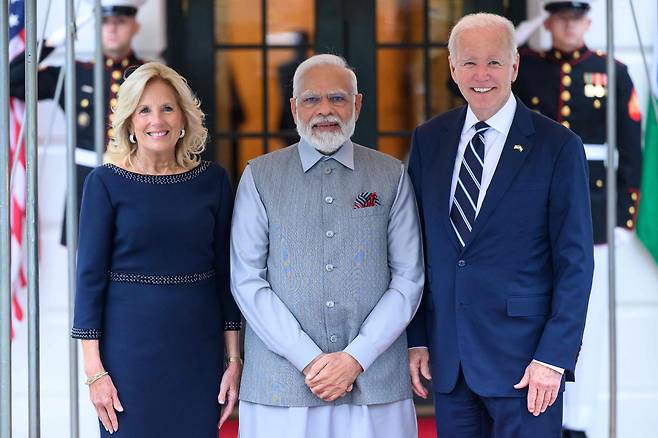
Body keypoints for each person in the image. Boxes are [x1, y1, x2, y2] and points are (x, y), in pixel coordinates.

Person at [406, 13, 594, 437]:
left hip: (528, 368)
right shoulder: (429, 139)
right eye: (469, 62)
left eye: (494, 62)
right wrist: (417, 339)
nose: (481, 75)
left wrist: (553, 358)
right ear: (453, 69)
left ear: (514, 66)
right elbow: (416, 251)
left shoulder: (558, 146)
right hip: (450, 364)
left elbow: (575, 263)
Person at [230, 54, 424, 438]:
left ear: (357, 104)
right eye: (311, 99)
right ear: (293, 108)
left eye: (337, 98)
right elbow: (247, 280)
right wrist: (309, 360)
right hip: (281, 385)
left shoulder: (391, 175)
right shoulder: (259, 175)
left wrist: (355, 358)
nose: (324, 111)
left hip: (374, 381)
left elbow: (408, 278)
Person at [71, 62, 242, 437]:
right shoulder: (104, 183)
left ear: (183, 117)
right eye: (144, 110)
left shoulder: (213, 181)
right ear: (130, 122)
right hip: (128, 359)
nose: (156, 120)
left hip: (198, 355)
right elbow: (89, 283)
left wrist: (233, 360)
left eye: (167, 107)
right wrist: (94, 372)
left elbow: (227, 277)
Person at [513, 3, 643, 436]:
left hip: (594, 208)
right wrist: (516, 36)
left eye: (576, 19)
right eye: (560, 18)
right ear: (549, 22)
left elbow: (631, 150)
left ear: (588, 22)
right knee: (535, 313)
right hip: (535, 209)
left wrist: (624, 217)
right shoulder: (526, 68)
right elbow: (465, 84)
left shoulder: (612, 70)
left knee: (587, 320)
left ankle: (578, 420)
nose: (569, 26)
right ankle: (539, 413)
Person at [9, 0, 147, 245]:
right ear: (95, 26)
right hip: (85, 182)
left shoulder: (150, 75)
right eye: (104, 22)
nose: (112, 28)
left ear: (135, 27)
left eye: (121, 21)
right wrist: (57, 40)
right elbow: (13, 79)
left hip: (138, 180)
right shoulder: (75, 72)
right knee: (85, 264)